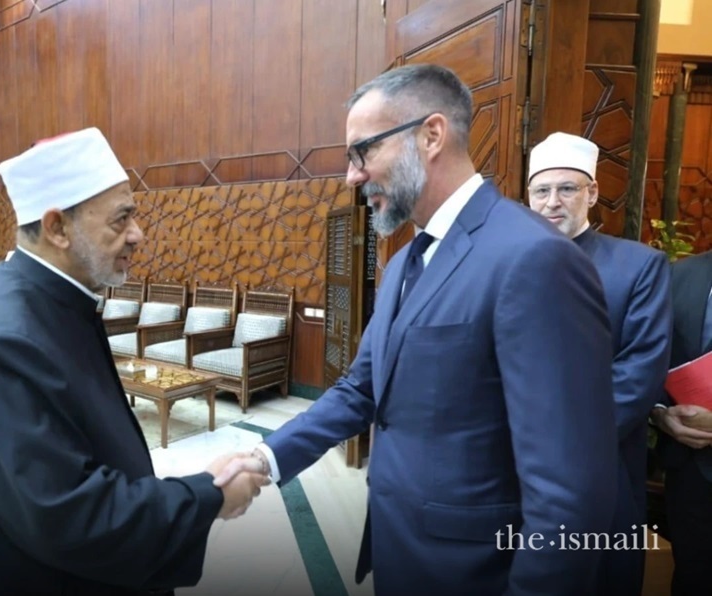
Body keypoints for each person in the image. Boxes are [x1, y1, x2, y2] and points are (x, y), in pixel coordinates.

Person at [218, 64, 619, 594]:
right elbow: (361, 387)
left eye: (363, 152)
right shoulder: (407, 258)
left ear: (431, 135)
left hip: (477, 572)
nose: (351, 176)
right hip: (401, 551)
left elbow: (567, 487)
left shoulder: (534, 259)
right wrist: (265, 457)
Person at [0, 128, 269, 595]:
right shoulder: (3, 340)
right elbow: (68, 515)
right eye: (121, 219)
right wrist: (207, 496)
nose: (139, 234)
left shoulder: (48, 303)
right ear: (57, 228)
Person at [527, 132, 673, 596]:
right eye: (541, 190)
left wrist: (557, 439)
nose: (553, 202)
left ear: (592, 192)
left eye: (567, 188)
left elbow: (639, 371)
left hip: (597, 466)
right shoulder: (501, 263)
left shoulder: (638, 267)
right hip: (509, 463)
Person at [651, 249, 712, 596]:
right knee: (692, 578)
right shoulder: (677, 275)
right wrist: (659, 413)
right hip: (688, 470)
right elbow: (651, 357)